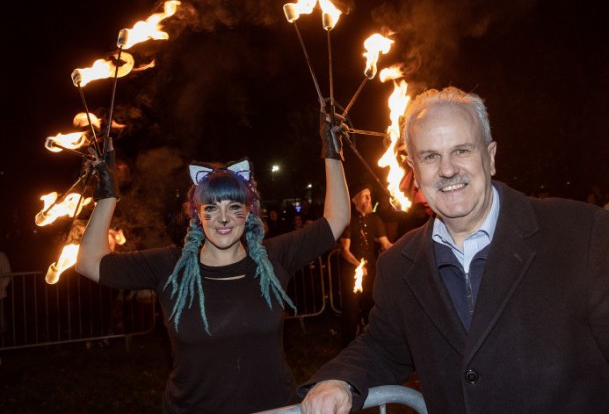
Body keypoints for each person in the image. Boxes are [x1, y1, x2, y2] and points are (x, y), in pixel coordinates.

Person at [299, 86, 609, 413]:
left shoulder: (580, 235)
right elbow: (382, 345)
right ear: (415, 171)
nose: (448, 169)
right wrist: (339, 380)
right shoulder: (398, 265)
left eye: (461, 150)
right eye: (430, 156)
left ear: (490, 157)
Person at [76, 113, 350, 414]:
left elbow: (335, 220)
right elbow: (90, 262)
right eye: (211, 207)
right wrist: (106, 196)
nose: (223, 219)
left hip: (274, 410)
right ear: (197, 214)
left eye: (234, 207)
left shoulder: (273, 258)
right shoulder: (170, 265)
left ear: (249, 212)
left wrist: (332, 153)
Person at [338, 184, 393, 348]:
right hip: (351, 272)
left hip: (371, 272)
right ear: (356, 200)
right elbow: (345, 251)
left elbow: (386, 244)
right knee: (351, 309)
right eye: (365, 196)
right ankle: (348, 346)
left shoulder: (376, 219)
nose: (369, 200)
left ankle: (373, 344)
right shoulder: (348, 220)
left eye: (369, 196)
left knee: (372, 307)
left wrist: (404, 245)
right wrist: (358, 266)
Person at [0, 249, 10, 337]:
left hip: (0, 294)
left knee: (1, 323)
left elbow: (7, 273)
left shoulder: (1, 256)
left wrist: (1, 287)